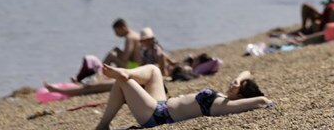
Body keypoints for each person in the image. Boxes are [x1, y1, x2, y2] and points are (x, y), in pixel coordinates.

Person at [93, 64, 271, 130]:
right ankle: (126, 71)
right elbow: (247, 72)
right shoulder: (223, 97)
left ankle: (103, 125)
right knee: (155, 70)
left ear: (239, 97)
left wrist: (267, 101)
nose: (234, 83)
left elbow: (260, 101)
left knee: (123, 82)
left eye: (238, 87)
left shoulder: (222, 105)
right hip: (161, 104)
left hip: (156, 116)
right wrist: (240, 79)